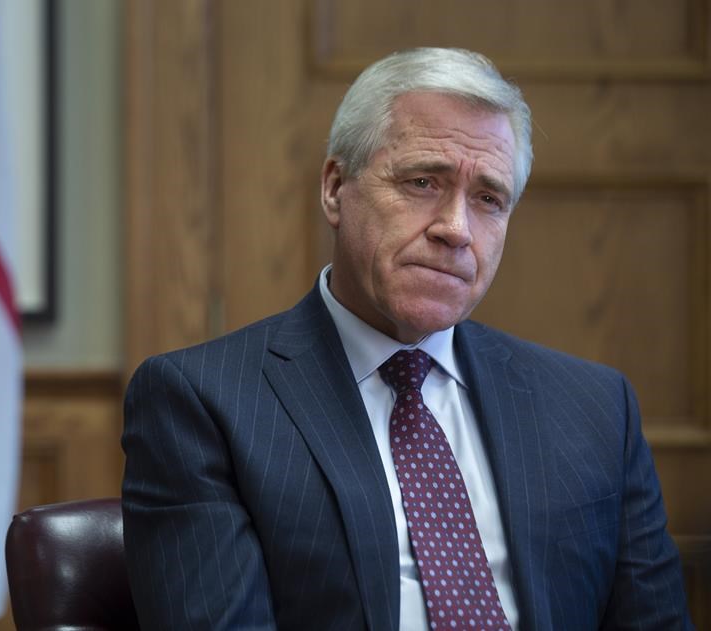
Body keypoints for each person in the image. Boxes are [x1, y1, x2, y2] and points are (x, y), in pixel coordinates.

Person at [120, 47, 692, 631]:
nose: (456, 229)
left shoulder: (597, 408)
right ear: (335, 188)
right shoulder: (202, 402)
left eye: (488, 199)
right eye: (422, 182)